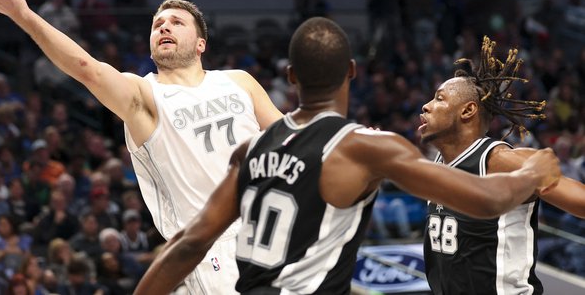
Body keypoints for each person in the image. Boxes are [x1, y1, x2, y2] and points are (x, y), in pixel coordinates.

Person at [134, 17, 560, 295]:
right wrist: (532, 173)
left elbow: (188, 244)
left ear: (291, 77)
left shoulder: (251, 150)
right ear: (352, 71)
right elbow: (484, 200)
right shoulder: (365, 147)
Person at [0, 0, 282, 294]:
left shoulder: (238, 82)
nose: (165, 28)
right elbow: (87, 69)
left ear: (201, 43)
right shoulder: (143, 94)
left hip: (276, 231)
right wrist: (23, 14)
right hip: (213, 246)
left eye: (177, 23)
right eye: (158, 24)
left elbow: (293, 140)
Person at [419, 36, 585, 295]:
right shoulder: (439, 161)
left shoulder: (499, 160)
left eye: (439, 99)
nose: (426, 106)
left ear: (468, 111)